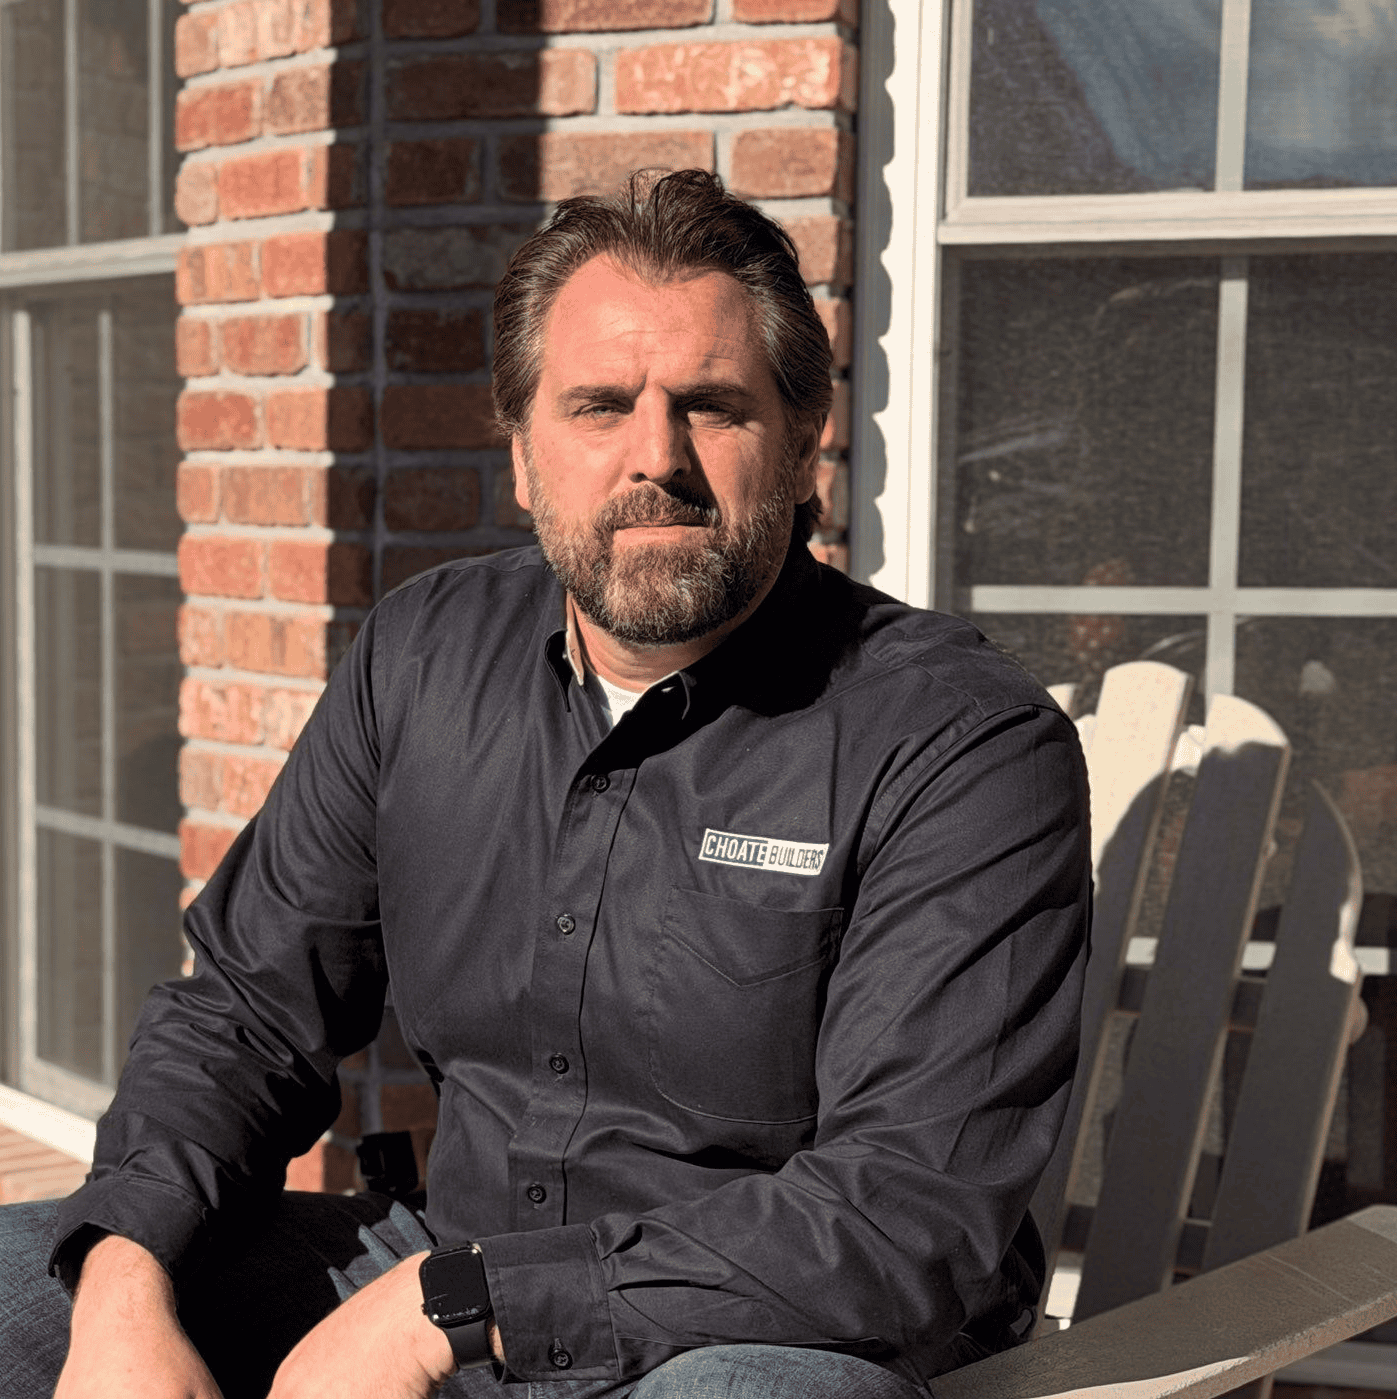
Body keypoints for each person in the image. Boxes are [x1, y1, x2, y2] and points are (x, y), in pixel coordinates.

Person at [0, 169, 1090, 1399]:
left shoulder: (958, 744)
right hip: (442, 1265)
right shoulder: (425, 655)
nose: (655, 457)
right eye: (598, 405)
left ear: (801, 446)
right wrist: (127, 1279)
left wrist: (440, 1312)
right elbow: (246, 1015)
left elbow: (904, 1216)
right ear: (522, 454)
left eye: (712, 406)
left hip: (762, 1332)